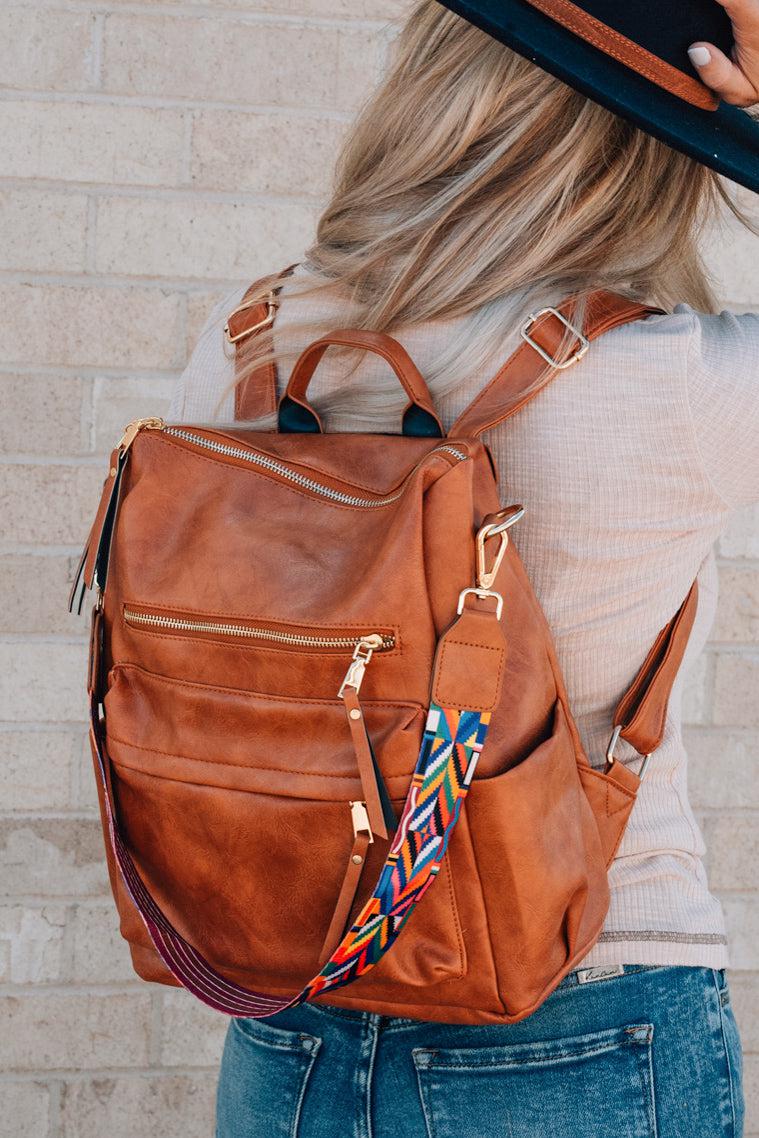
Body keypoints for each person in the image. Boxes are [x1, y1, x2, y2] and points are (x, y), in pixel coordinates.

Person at [169, 2, 758, 1134]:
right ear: (641, 147)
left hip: (291, 995)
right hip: (582, 1001)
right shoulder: (668, 379)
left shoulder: (252, 340)